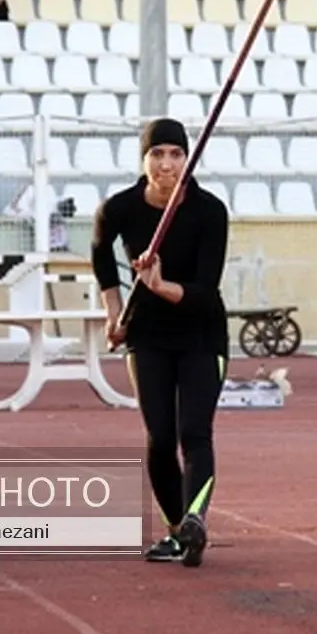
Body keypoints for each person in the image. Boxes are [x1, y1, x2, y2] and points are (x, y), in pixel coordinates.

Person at [90, 117, 230, 567]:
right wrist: (114, 312)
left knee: (194, 432)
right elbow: (100, 253)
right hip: (148, 336)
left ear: (187, 160)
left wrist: (160, 284)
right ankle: (176, 533)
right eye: (157, 154)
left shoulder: (209, 211)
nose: (166, 164)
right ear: (143, 158)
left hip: (202, 334)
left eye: (175, 154)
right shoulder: (121, 208)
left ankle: (195, 520)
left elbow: (206, 291)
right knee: (159, 438)